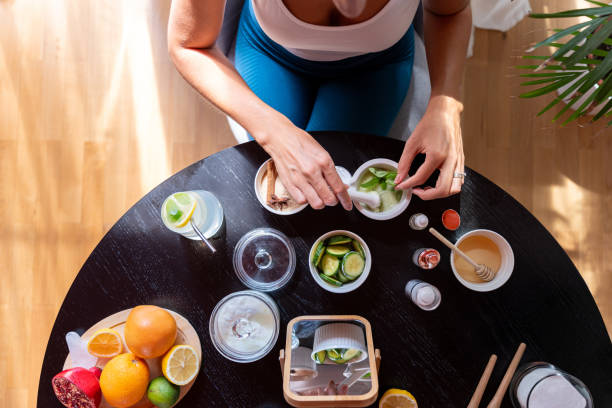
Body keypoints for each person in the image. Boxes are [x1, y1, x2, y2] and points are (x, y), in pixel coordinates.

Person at [168, 0, 471, 211]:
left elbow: (449, 12)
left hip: (376, 66)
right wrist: (272, 131)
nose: (352, 5)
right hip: (270, 53)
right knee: (285, 192)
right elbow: (189, 45)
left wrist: (445, 105)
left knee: (333, 191)